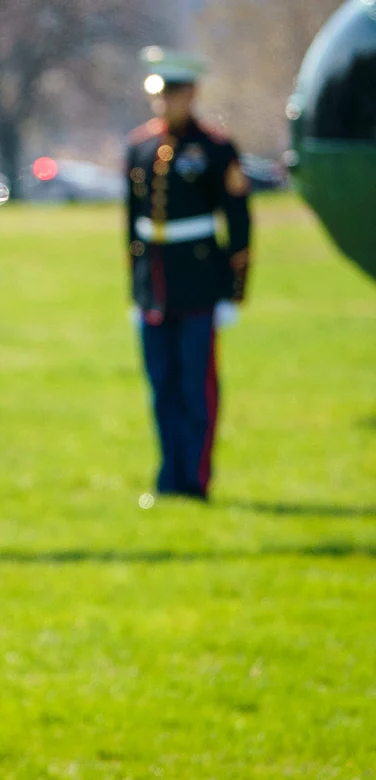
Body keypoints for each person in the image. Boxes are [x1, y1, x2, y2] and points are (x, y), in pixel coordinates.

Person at [126, 47, 252, 502]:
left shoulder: (216, 149)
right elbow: (133, 226)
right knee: (162, 388)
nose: (165, 102)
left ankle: (195, 481)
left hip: (200, 287)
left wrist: (233, 292)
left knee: (196, 390)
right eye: (160, 93)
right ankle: (169, 477)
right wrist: (135, 291)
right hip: (153, 290)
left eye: (174, 92)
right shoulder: (139, 146)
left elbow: (238, 224)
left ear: (192, 92)